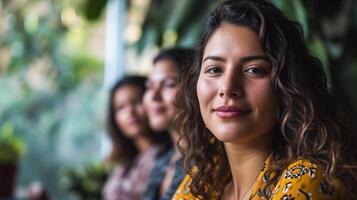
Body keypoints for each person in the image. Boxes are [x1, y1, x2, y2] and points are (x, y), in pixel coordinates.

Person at [173, 0, 357, 199]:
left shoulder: (307, 179)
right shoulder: (205, 179)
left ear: (288, 85)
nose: (227, 88)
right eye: (214, 69)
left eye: (253, 70)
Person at [102, 76, 169, 200]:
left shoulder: (167, 157)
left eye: (136, 101)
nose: (130, 112)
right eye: (120, 107)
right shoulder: (125, 163)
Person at [143, 48, 194, 200]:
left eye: (169, 84)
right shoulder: (161, 161)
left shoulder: (212, 164)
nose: (154, 95)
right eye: (150, 86)